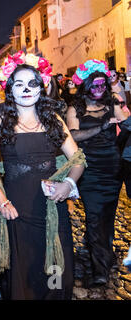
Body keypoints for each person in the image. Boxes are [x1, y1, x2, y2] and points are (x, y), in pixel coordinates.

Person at [0, 53, 85, 300]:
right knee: (24, 270)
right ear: (10, 90)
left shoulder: (54, 122)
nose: (26, 89)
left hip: (51, 208)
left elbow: (77, 160)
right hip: (16, 209)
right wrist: (1, 202)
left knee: (56, 270)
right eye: (19, 84)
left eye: (32, 83)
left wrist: (68, 184)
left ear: (42, 88)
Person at [69, 59, 129, 287]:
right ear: (85, 85)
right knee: (94, 218)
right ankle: (99, 268)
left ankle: (106, 254)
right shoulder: (75, 109)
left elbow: (128, 124)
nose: (98, 89)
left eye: (102, 85)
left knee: (107, 217)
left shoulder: (111, 105)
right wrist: (102, 127)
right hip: (88, 170)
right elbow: (73, 136)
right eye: (94, 85)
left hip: (112, 170)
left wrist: (119, 97)